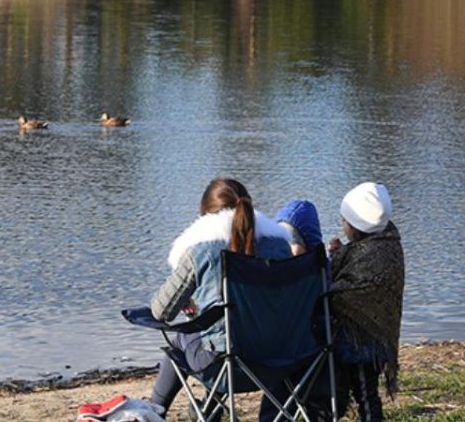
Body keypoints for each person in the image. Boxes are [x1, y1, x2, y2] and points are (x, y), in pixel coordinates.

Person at [147, 178, 294, 415]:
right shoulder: (280, 246)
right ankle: (209, 409)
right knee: (223, 330)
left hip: (226, 370)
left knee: (183, 338)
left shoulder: (200, 250)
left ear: (205, 216)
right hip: (282, 360)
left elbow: (161, 311)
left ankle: (155, 411)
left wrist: (188, 302)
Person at [328, 181, 405, 422]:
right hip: (377, 335)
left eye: (345, 221)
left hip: (361, 342)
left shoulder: (367, 253)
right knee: (364, 393)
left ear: (355, 225)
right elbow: (357, 267)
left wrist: (335, 261)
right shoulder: (388, 244)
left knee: (365, 393)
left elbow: (344, 292)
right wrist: (341, 253)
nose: (343, 226)